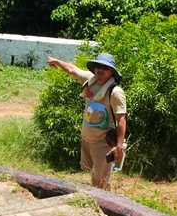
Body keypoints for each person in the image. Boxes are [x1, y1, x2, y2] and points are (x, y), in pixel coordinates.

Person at [46, 51, 127, 189]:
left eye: (105, 68)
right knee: (94, 176)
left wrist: (119, 146)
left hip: (102, 143)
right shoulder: (91, 80)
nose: (100, 71)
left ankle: (102, 206)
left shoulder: (115, 92)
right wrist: (58, 62)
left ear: (112, 71)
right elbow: (72, 69)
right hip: (88, 138)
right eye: (98, 67)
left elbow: (121, 119)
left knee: (100, 181)